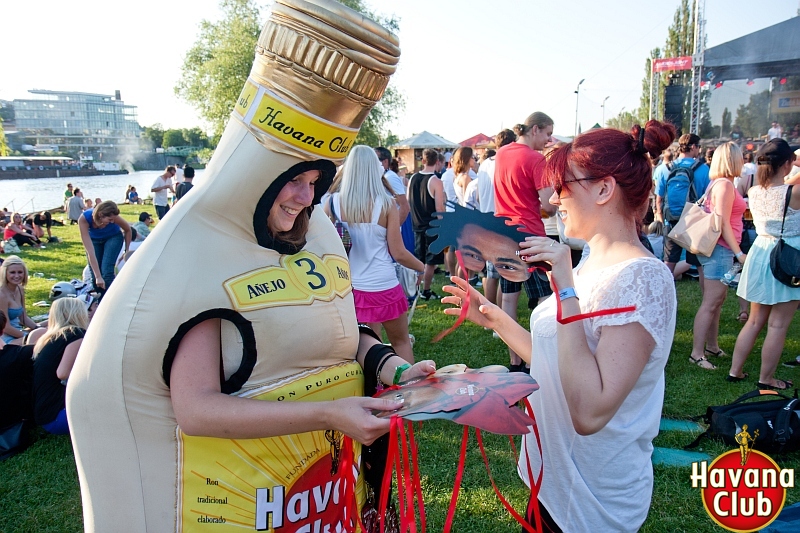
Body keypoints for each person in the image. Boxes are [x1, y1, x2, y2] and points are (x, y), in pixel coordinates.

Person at [442, 120, 678, 532]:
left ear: (604, 189)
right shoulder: (590, 259)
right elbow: (562, 360)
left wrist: (565, 286)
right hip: (550, 481)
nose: (554, 198)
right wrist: (493, 316)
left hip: (592, 499)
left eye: (565, 186)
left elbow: (590, 410)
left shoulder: (642, 278)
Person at [325, 146, 425, 363]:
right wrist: (421, 267)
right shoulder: (386, 204)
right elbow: (398, 253)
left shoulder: (332, 203)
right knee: (400, 342)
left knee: (370, 348)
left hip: (351, 288)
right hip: (384, 286)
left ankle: (374, 391)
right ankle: (410, 388)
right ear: (374, 169)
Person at [728, 139, 800, 389]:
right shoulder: (793, 191)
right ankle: (766, 378)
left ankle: (735, 370)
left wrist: (789, 159)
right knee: (778, 324)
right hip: (787, 257)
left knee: (755, 321)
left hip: (760, 253)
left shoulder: (755, 190)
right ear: (786, 163)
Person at [493, 111, 557, 371]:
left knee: (509, 300)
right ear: (535, 130)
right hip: (530, 235)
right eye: (548, 133)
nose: (550, 140)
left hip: (503, 234)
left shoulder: (502, 153)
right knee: (543, 299)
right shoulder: (535, 159)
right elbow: (549, 206)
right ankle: (538, 358)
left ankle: (515, 359)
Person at [688, 142, 747, 370]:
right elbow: (722, 223)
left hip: (716, 249)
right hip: (720, 249)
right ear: (733, 160)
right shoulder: (725, 185)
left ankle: (711, 346)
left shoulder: (720, 183)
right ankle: (697, 353)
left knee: (716, 302)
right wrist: (738, 252)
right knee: (711, 303)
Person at [654, 133, 710, 279]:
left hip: (670, 220)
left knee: (668, 263)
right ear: (693, 147)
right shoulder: (703, 170)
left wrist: (660, 216)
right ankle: (705, 301)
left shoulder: (663, 169)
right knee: (699, 265)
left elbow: (659, 198)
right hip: (693, 221)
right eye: (698, 147)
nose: (699, 150)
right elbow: (707, 198)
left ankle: (663, 296)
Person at [32, 297, 89, 435]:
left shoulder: (50, 337)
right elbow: (63, 373)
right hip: (58, 417)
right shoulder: (76, 334)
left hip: (46, 415)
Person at [408, 149, 447, 300]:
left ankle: (416, 288)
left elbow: (408, 200)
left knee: (419, 260)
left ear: (422, 161)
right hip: (432, 225)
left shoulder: (412, 178)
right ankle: (426, 290)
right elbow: (439, 208)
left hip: (417, 223)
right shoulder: (436, 181)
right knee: (430, 261)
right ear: (437, 162)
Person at [78, 200, 132, 292]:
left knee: (106, 272)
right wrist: (98, 276)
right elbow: (90, 252)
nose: (112, 222)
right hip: (94, 239)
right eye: (109, 220)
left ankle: (110, 300)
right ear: (100, 215)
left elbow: (128, 229)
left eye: (113, 220)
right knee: (95, 276)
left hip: (113, 237)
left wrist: (126, 250)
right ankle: (100, 301)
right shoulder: (84, 219)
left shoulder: (115, 218)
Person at [1, 256, 40, 345]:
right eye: (12, 272)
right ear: (5, 273)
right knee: (42, 342)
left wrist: (37, 328)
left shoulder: (19, 289)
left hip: (18, 332)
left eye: (20, 272)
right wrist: (27, 336)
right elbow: (5, 327)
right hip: (5, 338)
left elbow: (23, 318)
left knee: (49, 329)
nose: (17, 276)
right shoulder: (1, 295)